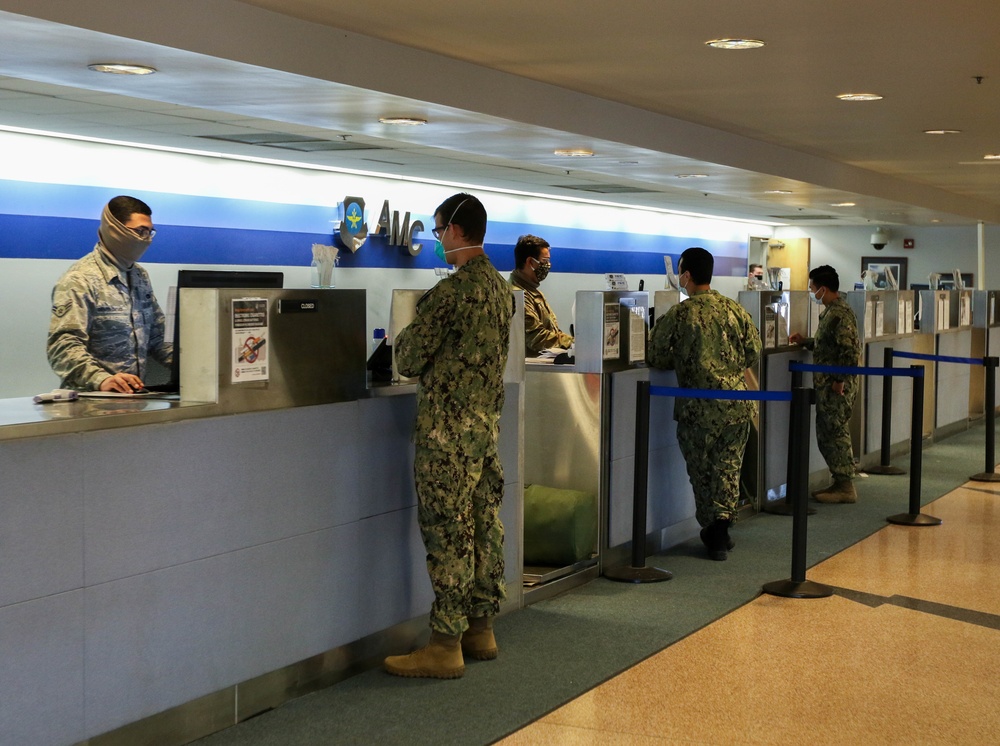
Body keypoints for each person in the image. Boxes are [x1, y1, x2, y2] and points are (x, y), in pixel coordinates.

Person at [385, 193, 513, 679]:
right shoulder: (501, 290)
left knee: (448, 534)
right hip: (484, 432)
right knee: (483, 526)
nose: (438, 240)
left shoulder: (450, 293)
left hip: (446, 439)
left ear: (456, 231)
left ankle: (444, 645)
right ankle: (481, 628)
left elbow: (409, 359)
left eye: (439, 232)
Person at [648, 247, 762, 561]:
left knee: (701, 472)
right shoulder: (733, 309)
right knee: (728, 468)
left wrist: (685, 360)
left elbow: (655, 355)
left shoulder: (681, 313)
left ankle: (713, 532)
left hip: (698, 409)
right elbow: (753, 350)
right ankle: (722, 526)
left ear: (686, 275)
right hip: (737, 404)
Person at [47, 195, 172, 392]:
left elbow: (158, 338)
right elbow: (63, 347)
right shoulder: (80, 279)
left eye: (149, 232)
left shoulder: (139, 276)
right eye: (140, 231)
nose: (146, 239)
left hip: (133, 399)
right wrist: (102, 379)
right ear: (115, 230)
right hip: (91, 401)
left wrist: (194, 366)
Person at [789, 265, 862, 503]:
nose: (811, 292)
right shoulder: (832, 312)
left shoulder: (840, 313)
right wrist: (806, 341)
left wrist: (839, 381)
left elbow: (850, 351)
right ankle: (840, 481)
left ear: (822, 288)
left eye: (812, 288)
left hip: (835, 386)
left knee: (834, 433)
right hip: (829, 384)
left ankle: (845, 486)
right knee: (828, 433)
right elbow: (829, 345)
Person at [508, 234, 573, 356]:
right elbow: (536, 337)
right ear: (530, 262)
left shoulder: (532, 291)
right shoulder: (517, 294)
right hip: (529, 371)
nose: (548, 265)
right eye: (545, 261)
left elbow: (551, 330)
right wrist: (573, 343)